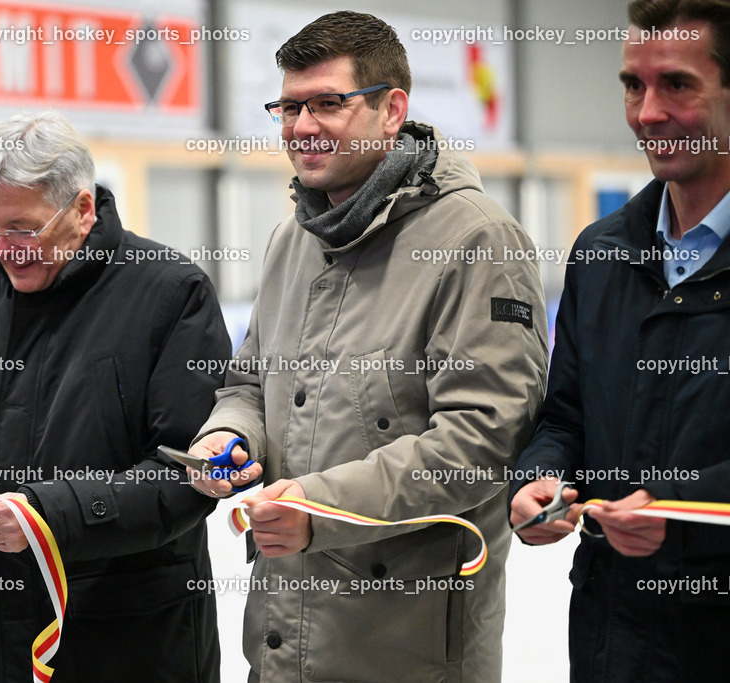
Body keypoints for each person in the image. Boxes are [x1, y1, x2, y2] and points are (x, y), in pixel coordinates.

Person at [187, 11, 549, 682]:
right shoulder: (291, 240)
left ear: (392, 110)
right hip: (281, 641)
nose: (302, 125)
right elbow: (245, 384)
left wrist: (319, 509)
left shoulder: (475, 243)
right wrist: (225, 437)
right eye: (289, 106)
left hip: (406, 649)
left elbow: (481, 439)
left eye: (328, 103)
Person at [0, 110, 228, 682]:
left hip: (133, 640)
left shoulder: (170, 292)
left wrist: (48, 514)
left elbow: (187, 475)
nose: (6, 249)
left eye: (24, 229)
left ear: (81, 209)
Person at [510, 1, 730, 680]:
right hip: (613, 642)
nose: (647, 113)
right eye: (633, 85)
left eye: (677, 84)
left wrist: (679, 511)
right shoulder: (601, 253)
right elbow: (568, 414)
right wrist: (540, 475)